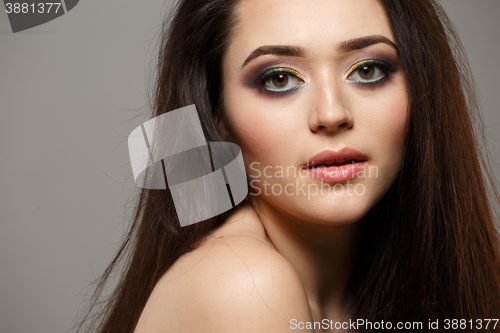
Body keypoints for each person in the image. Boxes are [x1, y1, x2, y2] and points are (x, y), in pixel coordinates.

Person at [75, 0, 500, 332]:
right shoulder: (244, 286)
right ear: (216, 116)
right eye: (279, 79)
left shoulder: (396, 283)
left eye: (367, 70)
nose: (332, 114)